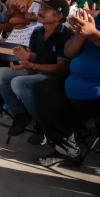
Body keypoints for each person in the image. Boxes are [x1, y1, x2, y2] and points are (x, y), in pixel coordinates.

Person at [0, 0, 72, 138]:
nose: (40, 11)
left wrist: (32, 65)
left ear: (58, 16)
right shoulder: (37, 31)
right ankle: (21, 114)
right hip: (37, 70)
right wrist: (27, 56)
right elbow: (37, 55)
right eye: (41, 7)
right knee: (1, 74)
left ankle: (43, 123)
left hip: (54, 78)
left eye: (45, 9)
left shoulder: (65, 35)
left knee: (19, 83)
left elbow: (61, 68)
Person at [34, 9, 100, 167]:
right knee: (45, 90)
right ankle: (67, 150)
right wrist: (80, 34)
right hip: (75, 86)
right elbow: (68, 52)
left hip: (96, 94)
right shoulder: (95, 17)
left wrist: (93, 33)